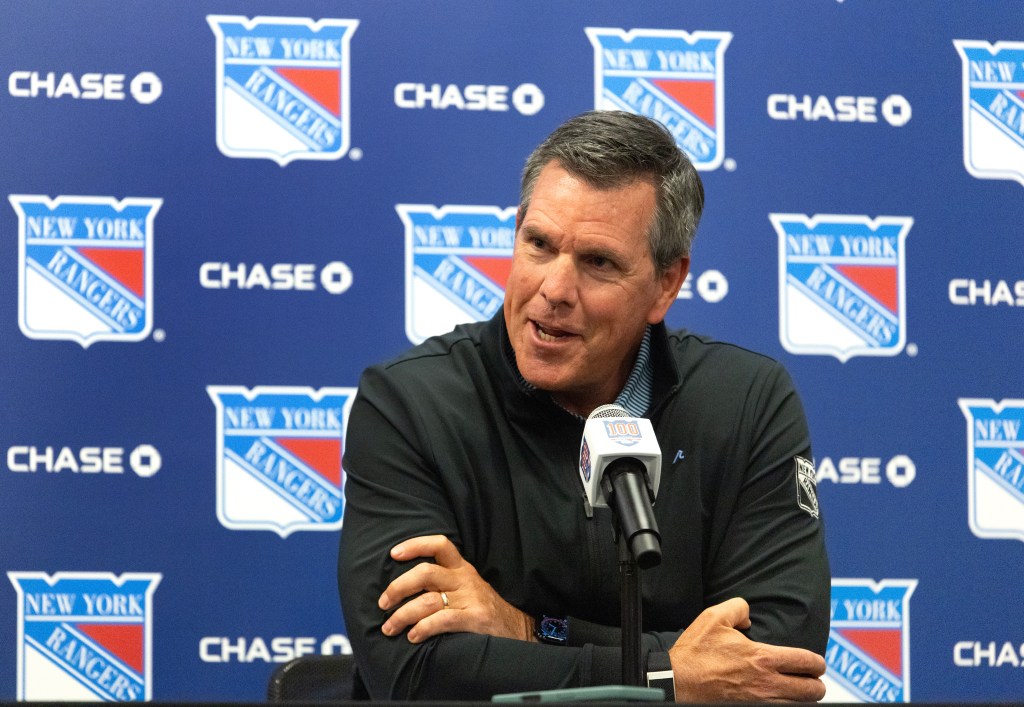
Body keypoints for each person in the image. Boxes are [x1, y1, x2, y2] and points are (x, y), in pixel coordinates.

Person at [338, 110, 830, 702]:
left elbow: (775, 664)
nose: (554, 290)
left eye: (598, 262)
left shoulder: (747, 403)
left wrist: (529, 630)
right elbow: (416, 675)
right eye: (539, 244)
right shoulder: (409, 403)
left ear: (666, 284)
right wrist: (672, 678)